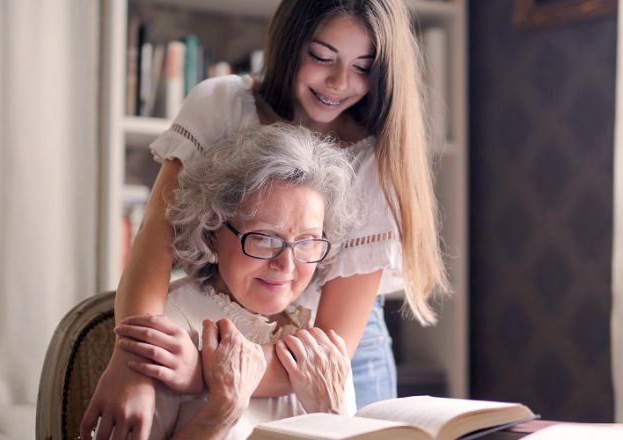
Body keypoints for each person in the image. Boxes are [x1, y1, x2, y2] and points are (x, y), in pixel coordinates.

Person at [81, 0, 448, 438]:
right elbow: (155, 242)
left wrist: (201, 371)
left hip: (331, 350)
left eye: (363, 66)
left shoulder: (374, 160)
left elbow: (331, 341)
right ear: (290, 45)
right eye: (322, 56)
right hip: (220, 323)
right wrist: (134, 363)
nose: (339, 82)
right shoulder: (223, 105)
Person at [96, 124, 356, 439]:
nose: (286, 264)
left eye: (307, 241)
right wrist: (220, 414)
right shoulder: (169, 330)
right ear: (213, 230)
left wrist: (332, 417)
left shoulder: (320, 348)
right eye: (263, 238)